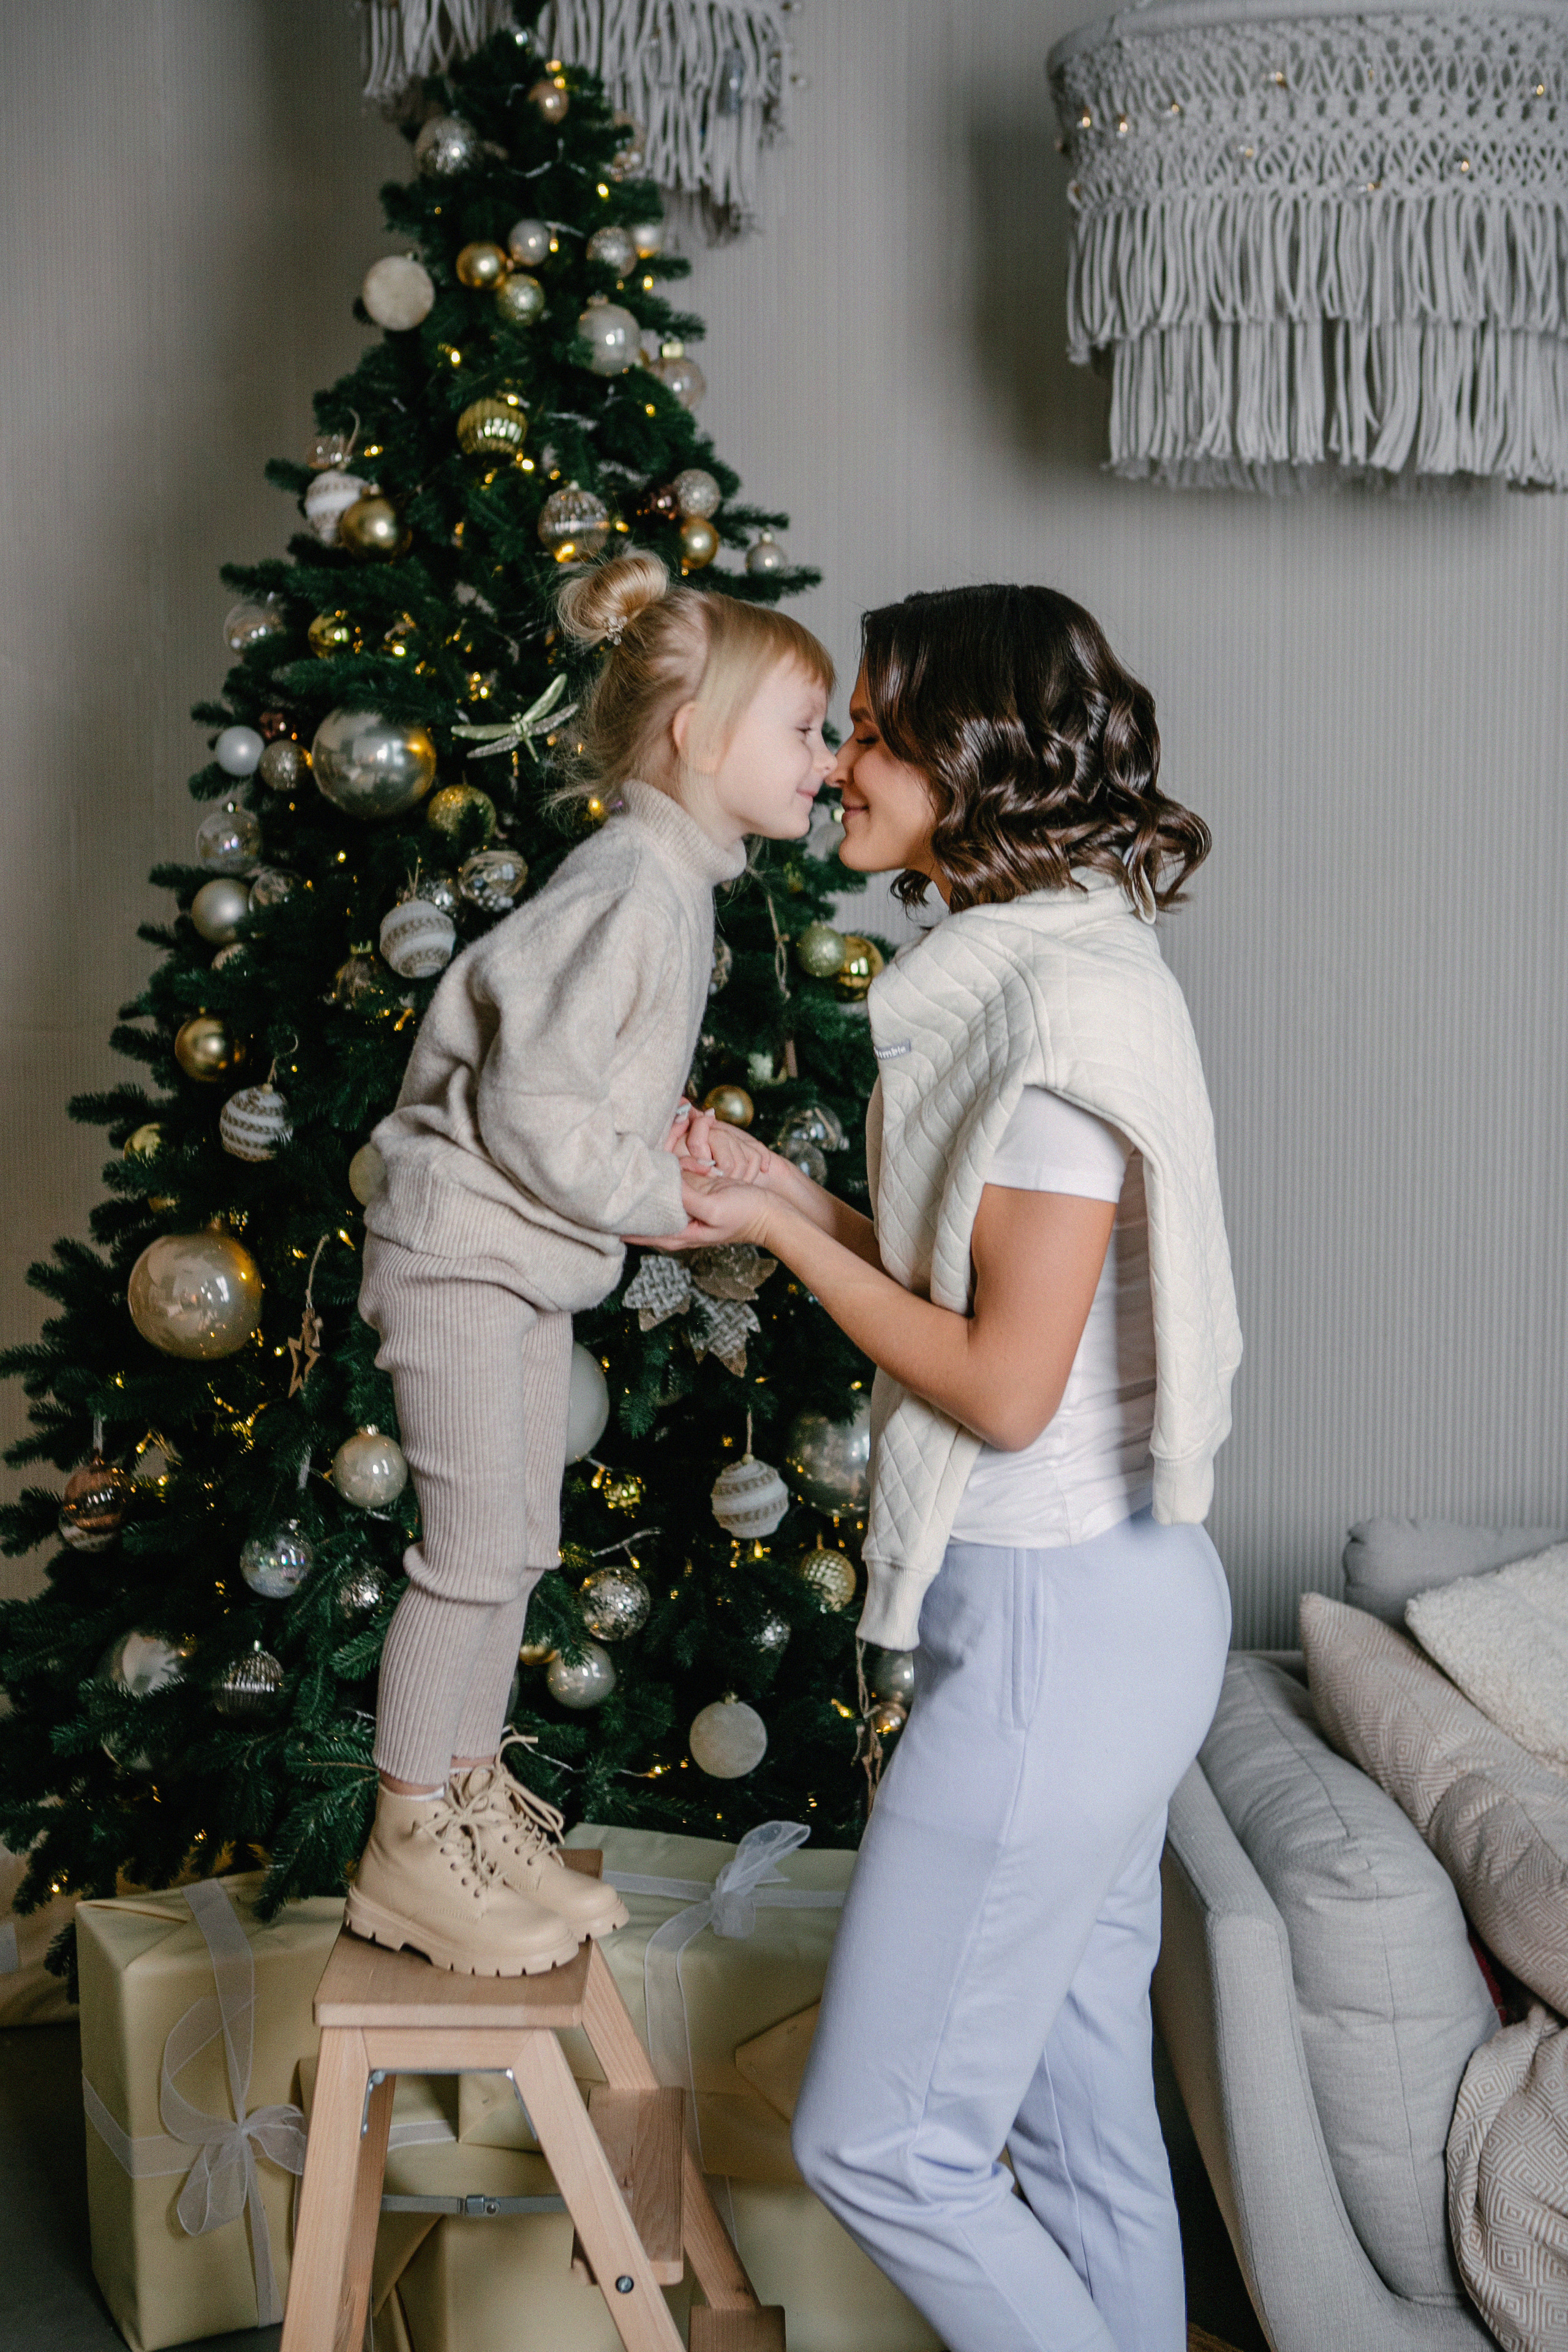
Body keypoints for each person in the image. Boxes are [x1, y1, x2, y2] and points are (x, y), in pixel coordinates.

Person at [663, 583, 1242, 2352]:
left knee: (884, 2144)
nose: (840, 761)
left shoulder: (1057, 1023)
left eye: (874, 726)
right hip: (1120, 1608)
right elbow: (987, 1294)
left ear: (974, 755)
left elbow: (1001, 1382)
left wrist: (800, 1242)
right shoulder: (1056, 976)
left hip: (1060, 1631)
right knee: (1083, 2143)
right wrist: (780, 1202)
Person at [347, 551, 835, 1977]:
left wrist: (655, 1140)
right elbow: (528, 1110)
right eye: (802, 728)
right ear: (695, 735)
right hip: (458, 1255)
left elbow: (576, 1076)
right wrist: (647, 1192)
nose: (827, 755)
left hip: (511, 1261)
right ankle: (407, 1837)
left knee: (512, 1548)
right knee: (470, 1556)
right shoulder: (633, 882)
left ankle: (464, 1807)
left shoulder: (669, 881)